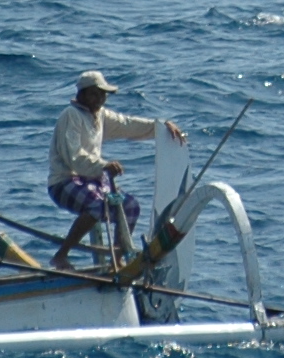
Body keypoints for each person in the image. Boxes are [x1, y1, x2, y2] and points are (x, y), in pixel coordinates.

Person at [48, 70, 183, 268]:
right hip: (64, 182)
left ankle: (117, 259)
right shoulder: (71, 115)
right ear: (82, 94)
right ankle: (61, 255)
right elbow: (74, 157)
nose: (100, 99)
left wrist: (160, 127)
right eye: (94, 94)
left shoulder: (99, 115)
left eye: (103, 95)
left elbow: (127, 125)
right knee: (99, 205)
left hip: (91, 181)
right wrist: (103, 166)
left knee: (130, 206)